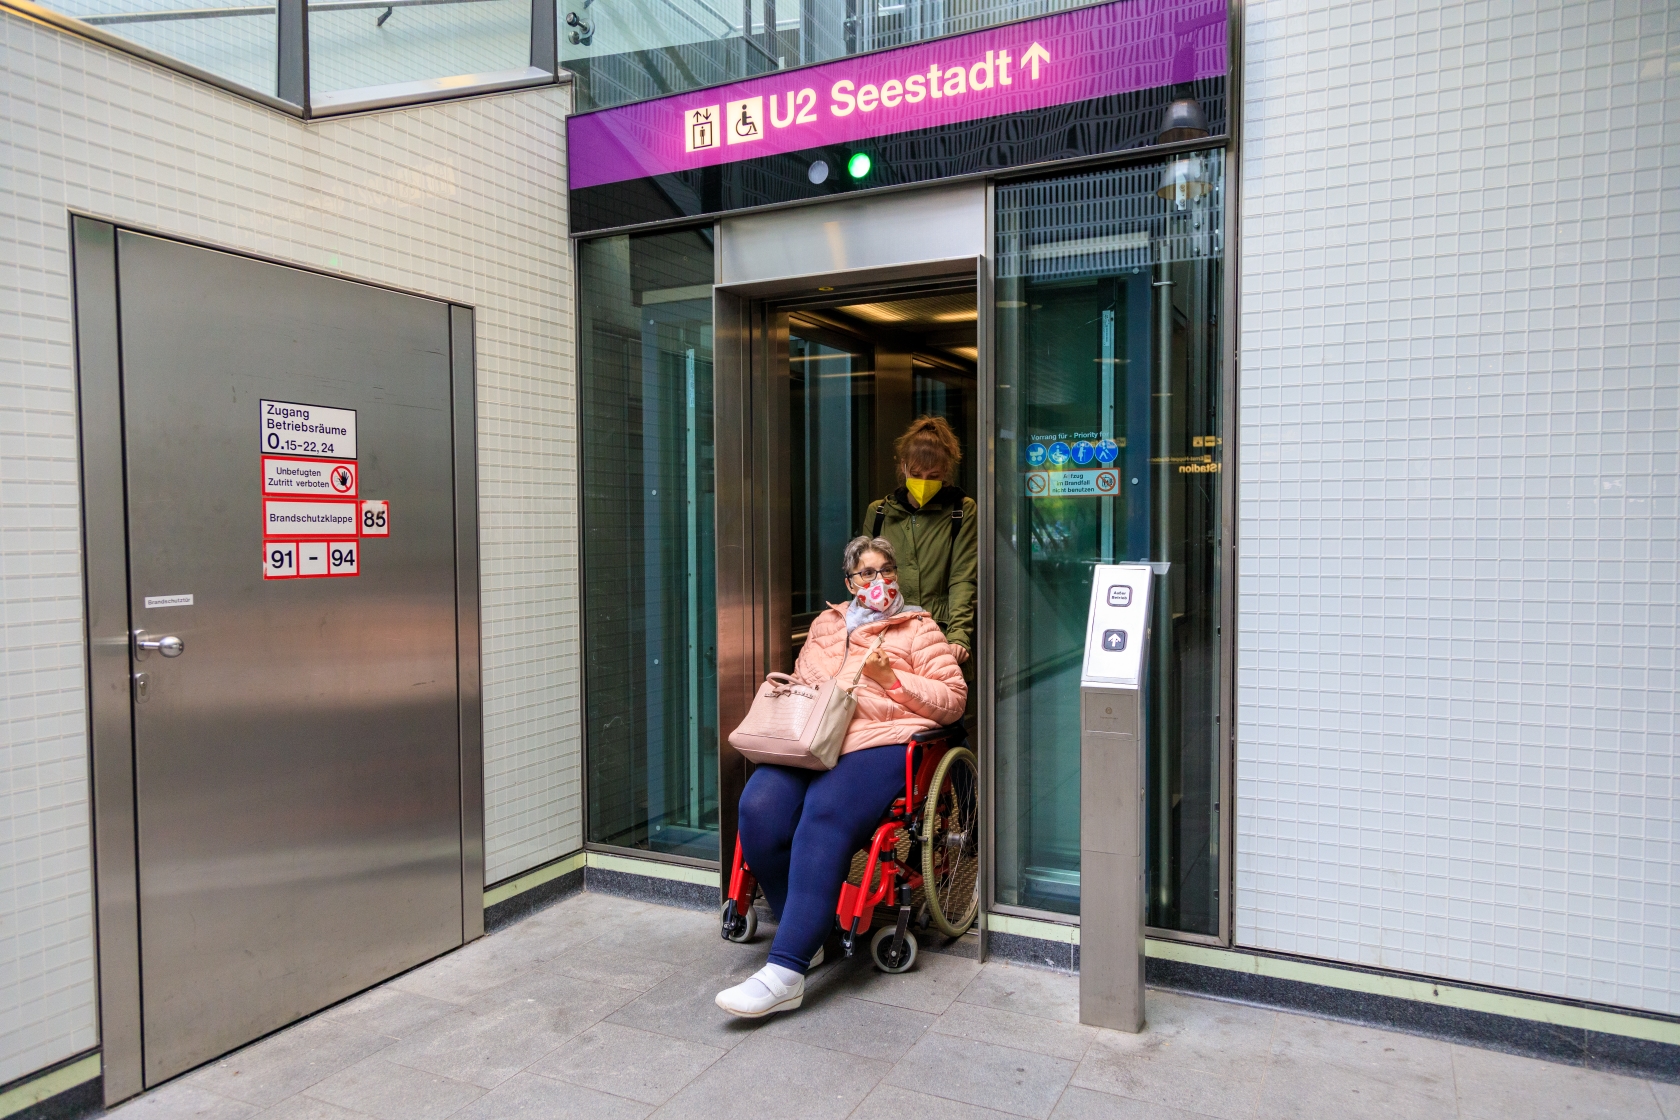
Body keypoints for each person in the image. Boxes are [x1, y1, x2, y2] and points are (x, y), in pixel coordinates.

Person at [716, 535, 966, 1018]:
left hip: (883, 741)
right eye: (866, 574)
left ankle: (785, 970)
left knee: (822, 814)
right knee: (759, 809)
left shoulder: (918, 627)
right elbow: (807, 685)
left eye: (885, 570)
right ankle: (807, 934)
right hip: (815, 740)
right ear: (848, 582)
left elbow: (952, 699)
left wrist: (892, 679)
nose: (878, 581)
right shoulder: (826, 625)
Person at [863, 416, 977, 671]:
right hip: (888, 638)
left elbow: (962, 577)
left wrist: (958, 635)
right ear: (903, 468)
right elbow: (867, 579)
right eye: (916, 474)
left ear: (945, 472)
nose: (924, 481)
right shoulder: (879, 512)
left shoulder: (960, 510)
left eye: (933, 475)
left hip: (939, 636)